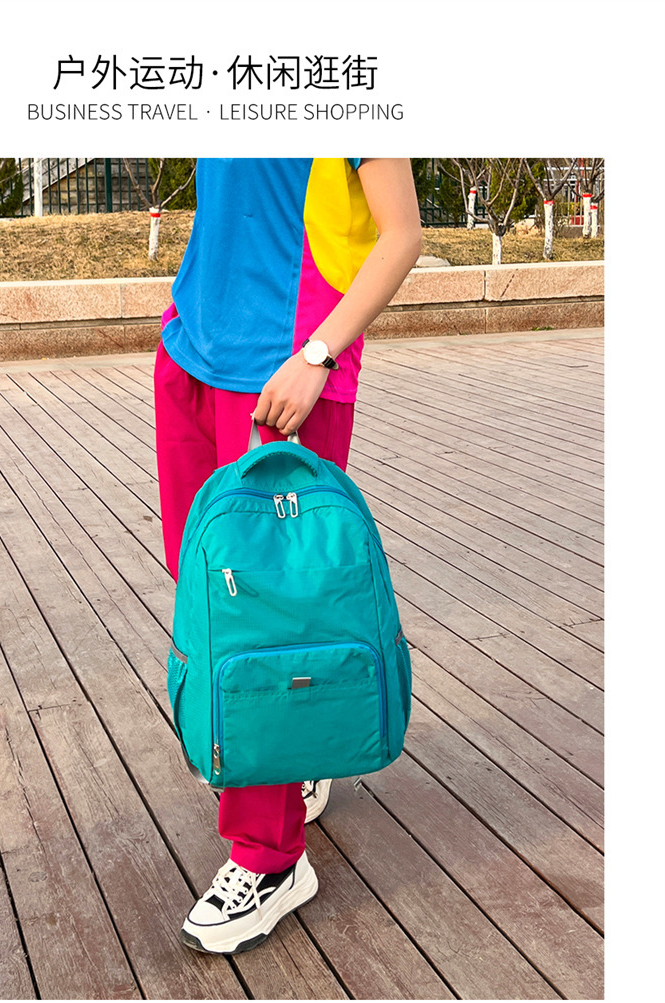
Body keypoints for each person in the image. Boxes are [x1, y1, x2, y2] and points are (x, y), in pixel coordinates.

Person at [153, 157, 422, 955]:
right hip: (192, 349)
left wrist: (319, 354)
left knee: (263, 620)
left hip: (285, 370)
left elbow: (402, 234)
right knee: (206, 592)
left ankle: (269, 859)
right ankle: (298, 749)